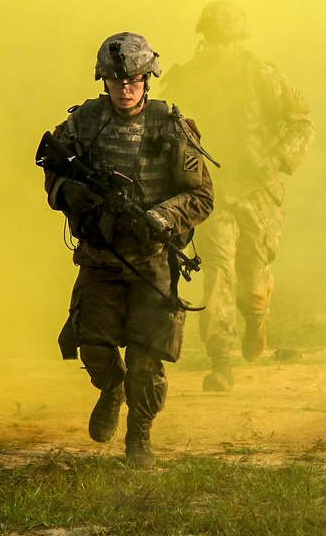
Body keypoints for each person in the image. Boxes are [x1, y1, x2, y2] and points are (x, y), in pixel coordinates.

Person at [39, 32, 214, 467]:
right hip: (99, 257)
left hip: (152, 260)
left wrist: (162, 217)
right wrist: (68, 193)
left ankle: (140, 436)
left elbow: (202, 197)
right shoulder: (81, 124)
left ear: (148, 78)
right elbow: (51, 171)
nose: (125, 88)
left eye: (134, 80)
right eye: (117, 81)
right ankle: (110, 389)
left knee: (146, 359)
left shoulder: (171, 127)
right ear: (104, 82)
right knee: (93, 347)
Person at [158, 0, 314, 392]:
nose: (220, 47)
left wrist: (276, 158)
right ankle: (220, 358)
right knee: (217, 270)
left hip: (259, 190)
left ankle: (256, 319)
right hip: (212, 192)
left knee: (253, 279)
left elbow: (302, 125)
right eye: (214, 39)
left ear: (239, 40)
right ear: (204, 38)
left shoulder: (263, 78)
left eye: (227, 40)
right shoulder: (188, 79)